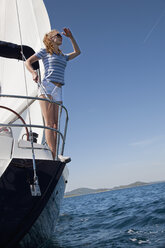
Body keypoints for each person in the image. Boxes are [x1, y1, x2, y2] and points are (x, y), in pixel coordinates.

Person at [25, 28, 81, 160]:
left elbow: (78, 52)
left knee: (56, 124)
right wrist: (33, 73)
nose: (60, 37)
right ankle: (52, 155)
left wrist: (71, 37)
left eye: (60, 36)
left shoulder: (63, 56)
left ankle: (55, 154)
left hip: (58, 89)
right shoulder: (45, 51)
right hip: (47, 86)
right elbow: (28, 61)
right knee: (49, 123)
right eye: (57, 35)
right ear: (51, 39)